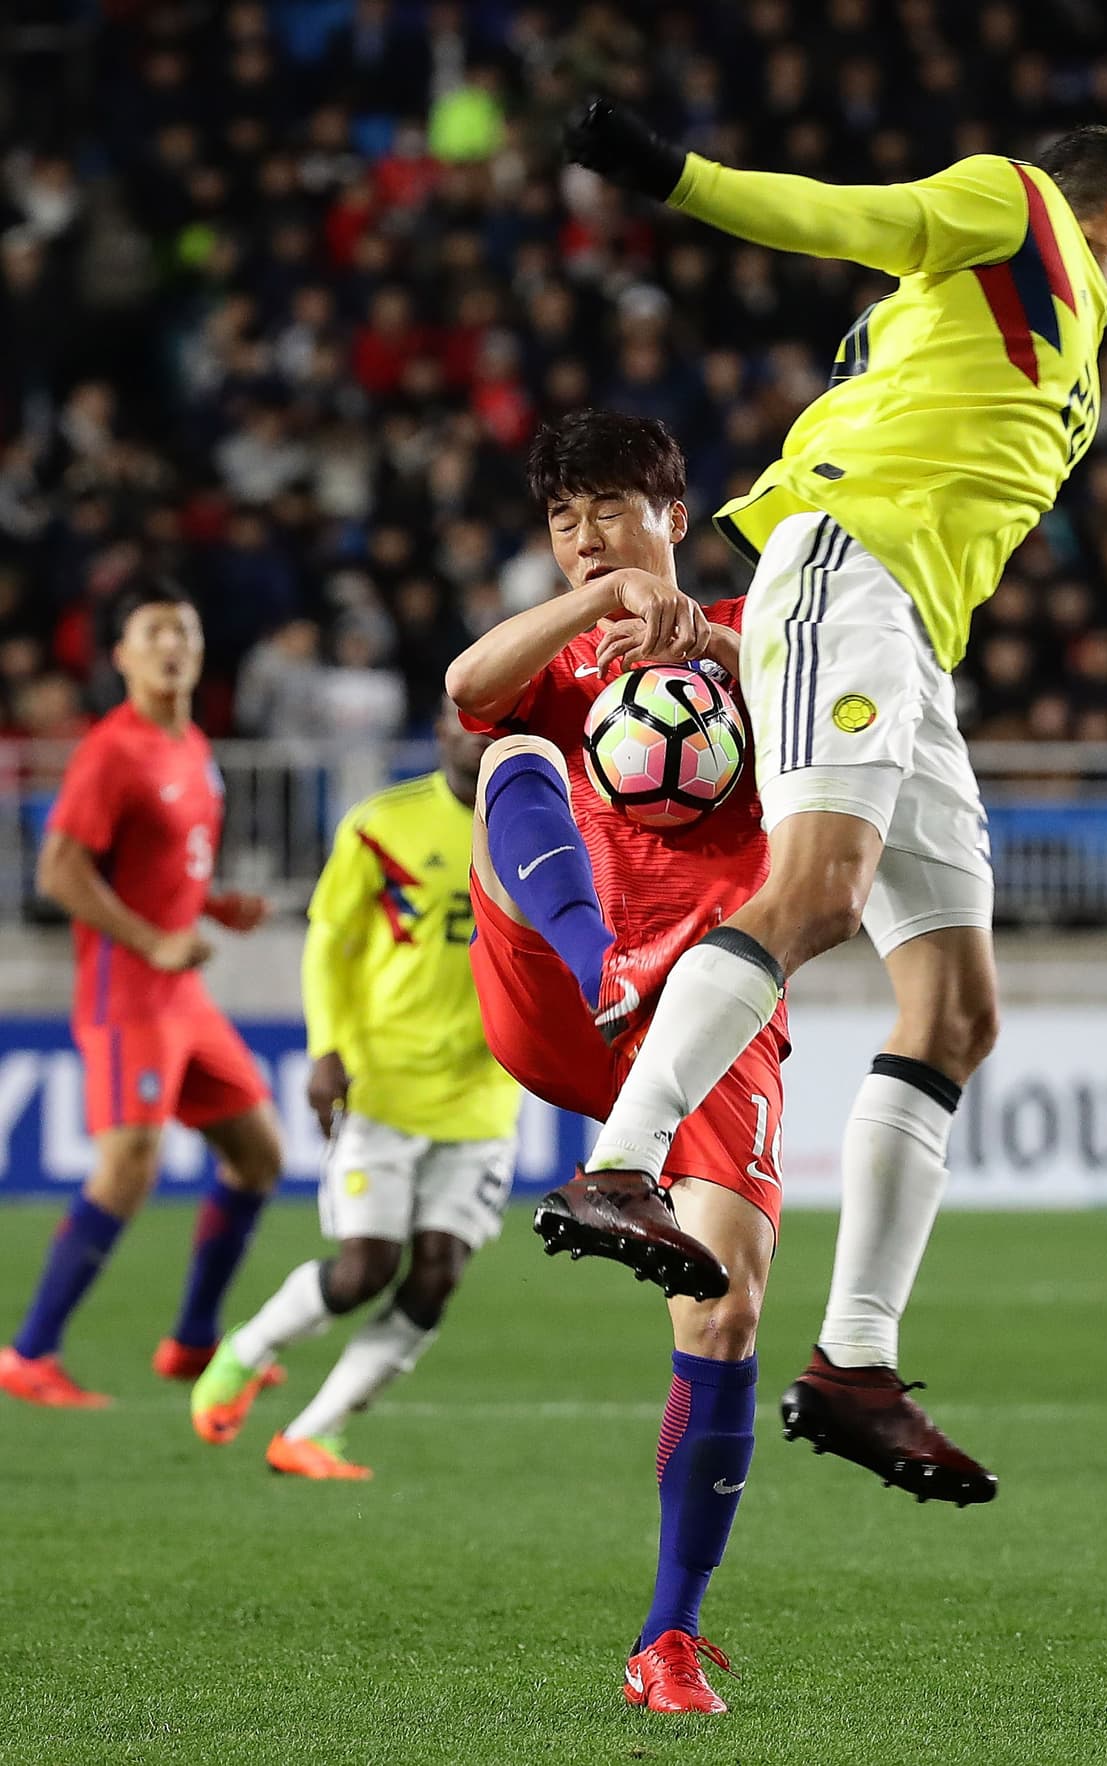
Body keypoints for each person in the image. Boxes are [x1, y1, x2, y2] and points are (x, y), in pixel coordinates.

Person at [556, 109, 1107, 1491]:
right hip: (854, 574)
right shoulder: (1019, 212)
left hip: (908, 635)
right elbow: (849, 213)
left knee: (957, 1011)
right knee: (819, 895)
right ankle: (619, 1163)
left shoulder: (1016, 328)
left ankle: (854, 1364)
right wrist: (677, 176)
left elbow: (875, 388)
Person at [448, 409, 791, 1715]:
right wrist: (605, 600)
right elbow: (471, 690)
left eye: (612, 508)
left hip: (714, 1002)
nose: (585, 533)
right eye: (564, 516)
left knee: (726, 1300)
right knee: (513, 753)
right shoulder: (562, 647)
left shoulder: (758, 630)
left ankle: (667, 1639)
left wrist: (700, 626)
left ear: (677, 514)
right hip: (567, 984)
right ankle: (596, 955)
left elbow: (844, 677)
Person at [189, 701, 521, 1480]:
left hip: (483, 1095)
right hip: (381, 1085)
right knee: (364, 1268)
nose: (482, 736)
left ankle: (314, 1432)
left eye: (497, 724)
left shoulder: (545, 829)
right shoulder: (382, 825)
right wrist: (326, 1049)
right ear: (440, 733)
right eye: (467, 722)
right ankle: (248, 1348)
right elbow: (329, 945)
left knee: (438, 1273)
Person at [0, 577, 282, 1409]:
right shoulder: (112, 750)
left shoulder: (191, 744)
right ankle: (30, 1353)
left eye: (185, 632)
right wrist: (153, 938)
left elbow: (163, 870)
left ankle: (194, 1339)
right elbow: (60, 869)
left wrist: (211, 905)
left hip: (182, 998)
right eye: (155, 632)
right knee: (129, 1163)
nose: (173, 646)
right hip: (128, 990)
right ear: (122, 654)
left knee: (259, 1153)